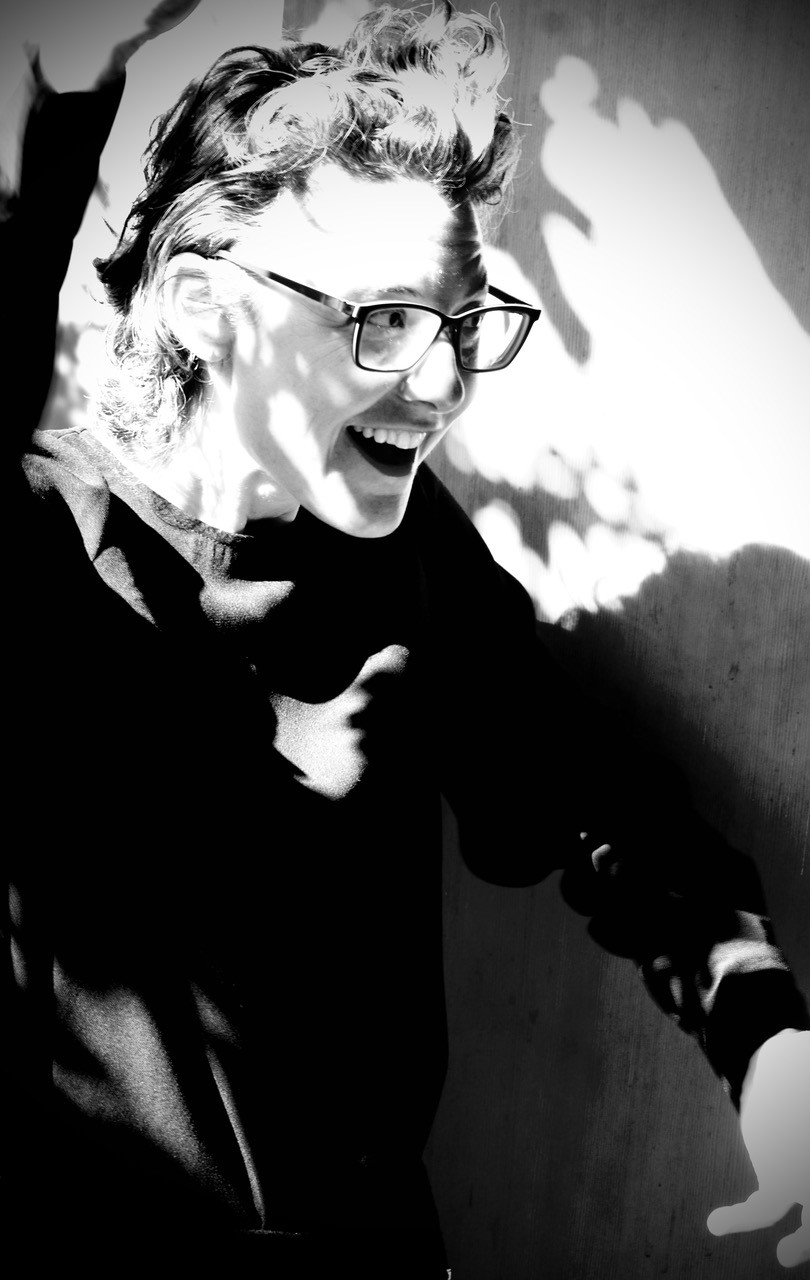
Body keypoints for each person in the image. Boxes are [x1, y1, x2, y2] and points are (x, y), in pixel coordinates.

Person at [2, 2, 808, 1274]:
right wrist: (47, 132)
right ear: (204, 305)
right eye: (382, 317)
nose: (442, 382)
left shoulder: (403, 555)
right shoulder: (48, 543)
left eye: (463, 320)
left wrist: (768, 1041)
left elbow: (586, 795)